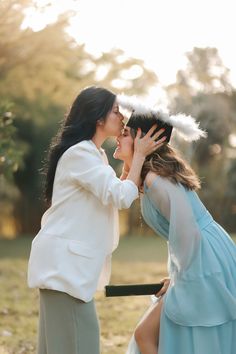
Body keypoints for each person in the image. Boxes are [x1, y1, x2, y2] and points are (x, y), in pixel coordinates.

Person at [27, 86, 166, 354]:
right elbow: (120, 196)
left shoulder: (95, 154)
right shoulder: (81, 153)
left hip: (65, 269)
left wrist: (133, 159)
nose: (122, 117)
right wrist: (138, 155)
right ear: (98, 117)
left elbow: (118, 190)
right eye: (116, 111)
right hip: (64, 271)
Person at [114, 94, 236, 354]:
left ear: (142, 141)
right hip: (200, 253)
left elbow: (188, 233)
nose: (117, 137)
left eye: (125, 133)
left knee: (145, 335)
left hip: (205, 256)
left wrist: (182, 278)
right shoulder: (148, 178)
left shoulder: (156, 181)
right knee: (156, 333)